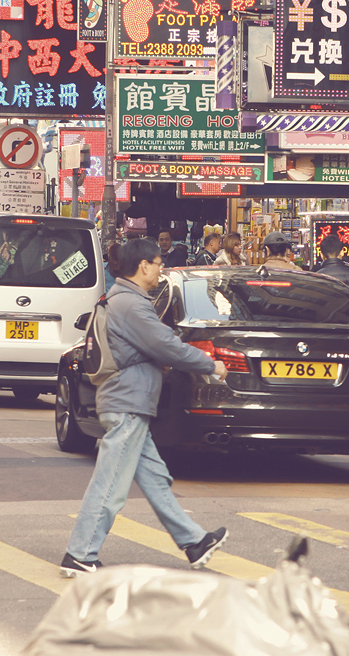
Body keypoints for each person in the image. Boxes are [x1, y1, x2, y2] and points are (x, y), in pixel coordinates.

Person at [62, 239, 229, 577]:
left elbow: (148, 348)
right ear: (142, 267)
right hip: (127, 402)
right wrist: (209, 364)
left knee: (155, 479)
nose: (160, 269)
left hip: (129, 401)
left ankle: (194, 542)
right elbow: (165, 345)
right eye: (157, 263)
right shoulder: (131, 305)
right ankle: (80, 554)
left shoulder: (123, 301)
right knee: (109, 485)